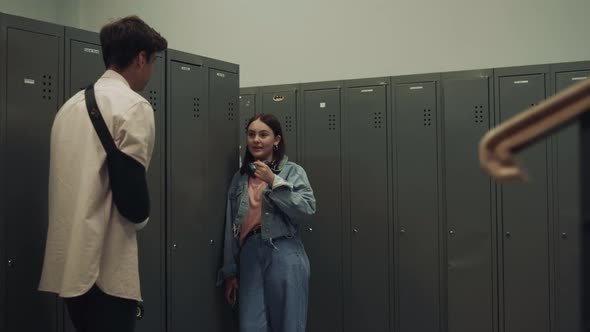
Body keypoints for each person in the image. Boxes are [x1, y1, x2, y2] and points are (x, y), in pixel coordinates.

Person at [38, 15, 167, 332]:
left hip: (70, 269)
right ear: (140, 59)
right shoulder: (133, 107)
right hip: (107, 271)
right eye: (152, 62)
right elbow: (134, 204)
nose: (151, 72)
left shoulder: (69, 107)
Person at [219, 114, 316, 332]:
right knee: (250, 325)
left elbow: (307, 209)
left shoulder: (292, 171)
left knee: (289, 324)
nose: (256, 140)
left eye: (263, 134)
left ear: (276, 140)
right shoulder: (240, 178)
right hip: (250, 254)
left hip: (284, 251)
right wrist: (230, 272)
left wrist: (273, 181)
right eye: (252, 134)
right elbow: (230, 228)